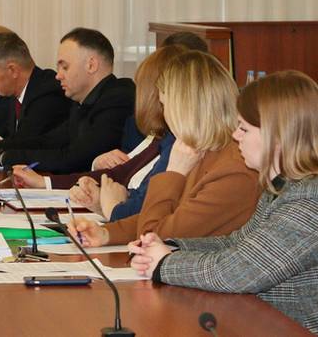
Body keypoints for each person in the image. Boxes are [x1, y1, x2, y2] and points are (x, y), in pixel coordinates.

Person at [129, 71, 318, 333]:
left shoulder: (308, 202)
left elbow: (236, 272)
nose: (235, 135)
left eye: (244, 128)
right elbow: (236, 242)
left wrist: (163, 263)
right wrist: (170, 246)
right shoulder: (282, 188)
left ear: (277, 136)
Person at [69, 50, 261, 246]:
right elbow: (165, 218)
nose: (164, 114)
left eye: (164, 105)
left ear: (182, 108)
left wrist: (173, 173)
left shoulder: (234, 171)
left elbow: (154, 235)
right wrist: (106, 233)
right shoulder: (205, 150)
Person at [12, 45, 186, 221]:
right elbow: (120, 173)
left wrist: (111, 206)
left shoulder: (175, 144)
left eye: (65, 67)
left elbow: (138, 202)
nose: (58, 75)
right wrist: (44, 182)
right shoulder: (162, 137)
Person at [0, 27, 134, 173]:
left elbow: (74, 158)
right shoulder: (82, 103)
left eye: (65, 67)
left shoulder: (118, 99)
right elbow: (47, 141)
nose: (58, 75)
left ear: (91, 65)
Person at [0, 31, 71, 148]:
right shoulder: (15, 93)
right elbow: (18, 140)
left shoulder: (48, 93)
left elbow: (26, 143)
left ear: (13, 70)